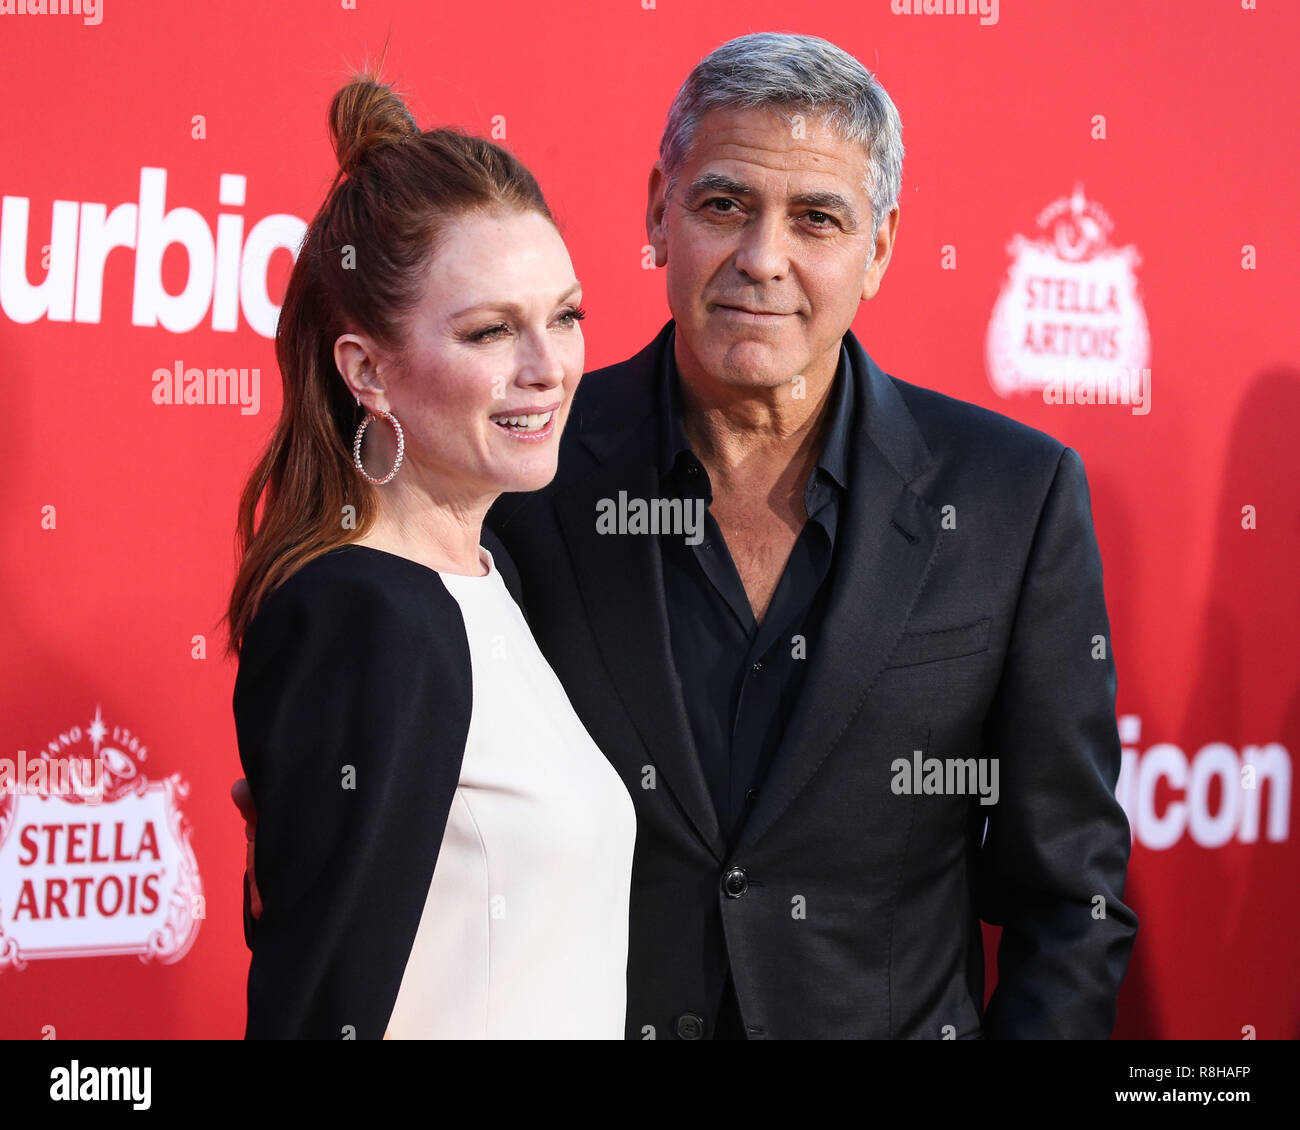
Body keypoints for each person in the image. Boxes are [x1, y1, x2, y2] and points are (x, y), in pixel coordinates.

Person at [237, 32, 1138, 1039]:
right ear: (657, 210)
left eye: (816, 218)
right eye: (723, 205)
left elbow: (1070, 896)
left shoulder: (1012, 497)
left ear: (878, 247)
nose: (762, 257)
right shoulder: (521, 475)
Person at [227, 71, 635, 1039]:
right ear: (367, 369)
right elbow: (320, 1001)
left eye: (566, 315)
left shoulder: (494, 583)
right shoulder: (364, 615)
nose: (548, 365)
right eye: (491, 330)